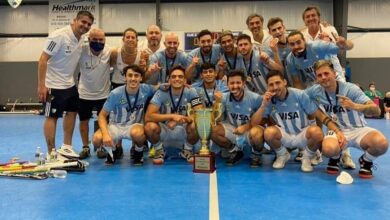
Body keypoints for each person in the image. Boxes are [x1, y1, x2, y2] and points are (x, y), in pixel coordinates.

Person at [307, 60, 388, 178]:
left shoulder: (351, 89)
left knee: (381, 143)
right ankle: (335, 158)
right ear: (316, 78)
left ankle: (366, 161)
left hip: (359, 129)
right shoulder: (315, 91)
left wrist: (355, 106)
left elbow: (377, 110)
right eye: (320, 75)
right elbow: (298, 97)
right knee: (328, 149)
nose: (323, 77)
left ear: (334, 74)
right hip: (336, 130)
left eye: (326, 73)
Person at [251, 70, 344, 172]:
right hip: (284, 135)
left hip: (302, 134)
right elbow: (254, 124)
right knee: (268, 132)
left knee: (317, 132)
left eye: (278, 83)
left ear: (285, 82)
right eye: (271, 85)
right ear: (268, 87)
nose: (275, 87)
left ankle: (307, 158)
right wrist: (263, 105)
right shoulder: (268, 100)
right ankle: (282, 155)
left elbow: (319, 115)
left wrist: (337, 130)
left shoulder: (299, 95)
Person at [37, 11, 94, 156]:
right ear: (75, 20)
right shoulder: (59, 35)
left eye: (89, 24)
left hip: (69, 84)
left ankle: (66, 147)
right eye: (83, 22)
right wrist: (41, 85)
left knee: (72, 112)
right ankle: (51, 153)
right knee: (52, 116)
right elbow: (43, 59)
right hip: (53, 85)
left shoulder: (81, 39)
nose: (85, 26)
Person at [92, 64, 156, 165]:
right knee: (96, 139)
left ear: (141, 78)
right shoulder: (115, 93)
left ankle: (138, 152)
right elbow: (102, 116)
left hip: (134, 126)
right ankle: (112, 150)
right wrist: (105, 134)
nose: (133, 78)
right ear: (125, 77)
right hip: (115, 126)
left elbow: (162, 88)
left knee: (138, 134)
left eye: (136, 75)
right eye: (130, 75)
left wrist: (180, 85)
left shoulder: (146, 89)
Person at [145, 65, 203, 165]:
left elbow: (200, 113)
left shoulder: (191, 91)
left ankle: (187, 150)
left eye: (180, 77)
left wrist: (184, 119)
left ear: (185, 80)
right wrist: (171, 116)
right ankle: (159, 150)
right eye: (174, 76)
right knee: (149, 126)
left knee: (197, 125)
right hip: (165, 129)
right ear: (169, 80)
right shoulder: (161, 92)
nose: (177, 79)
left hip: (183, 130)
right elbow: (148, 116)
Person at [211, 70, 265, 167]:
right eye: (232, 83)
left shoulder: (255, 98)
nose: (235, 86)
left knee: (256, 133)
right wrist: (217, 103)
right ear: (227, 85)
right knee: (213, 130)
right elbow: (215, 119)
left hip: (250, 129)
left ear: (244, 84)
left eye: (238, 83)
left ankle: (256, 155)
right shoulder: (223, 97)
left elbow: (264, 120)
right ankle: (234, 151)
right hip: (233, 129)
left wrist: (246, 127)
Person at [77, 28, 112, 159]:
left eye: (101, 40)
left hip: (103, 94)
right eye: (95, 39)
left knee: (103, 121)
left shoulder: (109, 51)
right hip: (84, 94)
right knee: (83, 121)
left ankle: (102, 146)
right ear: (89, 39)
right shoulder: (81, 50)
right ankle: (85, 147)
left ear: (105, 40)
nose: (98, 42)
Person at [285, 31, 353, 89]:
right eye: (292, 44)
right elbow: (297, 82)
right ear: (288, 46)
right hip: (315, 82)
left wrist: (345, 43)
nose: (296, 46)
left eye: (298, 42)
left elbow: (347, 47)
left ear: (304, 41)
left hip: (333, 77)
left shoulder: (317, 46)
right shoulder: (290, 60)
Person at [265, 17, 293, 85]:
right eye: (274, 30)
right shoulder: (268, 50)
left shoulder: (293, 41)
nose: (277, 32)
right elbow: (279, 72)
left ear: (284, 28)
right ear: (270, 32)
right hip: (283, 84)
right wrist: (275, 52)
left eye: (279, 28)